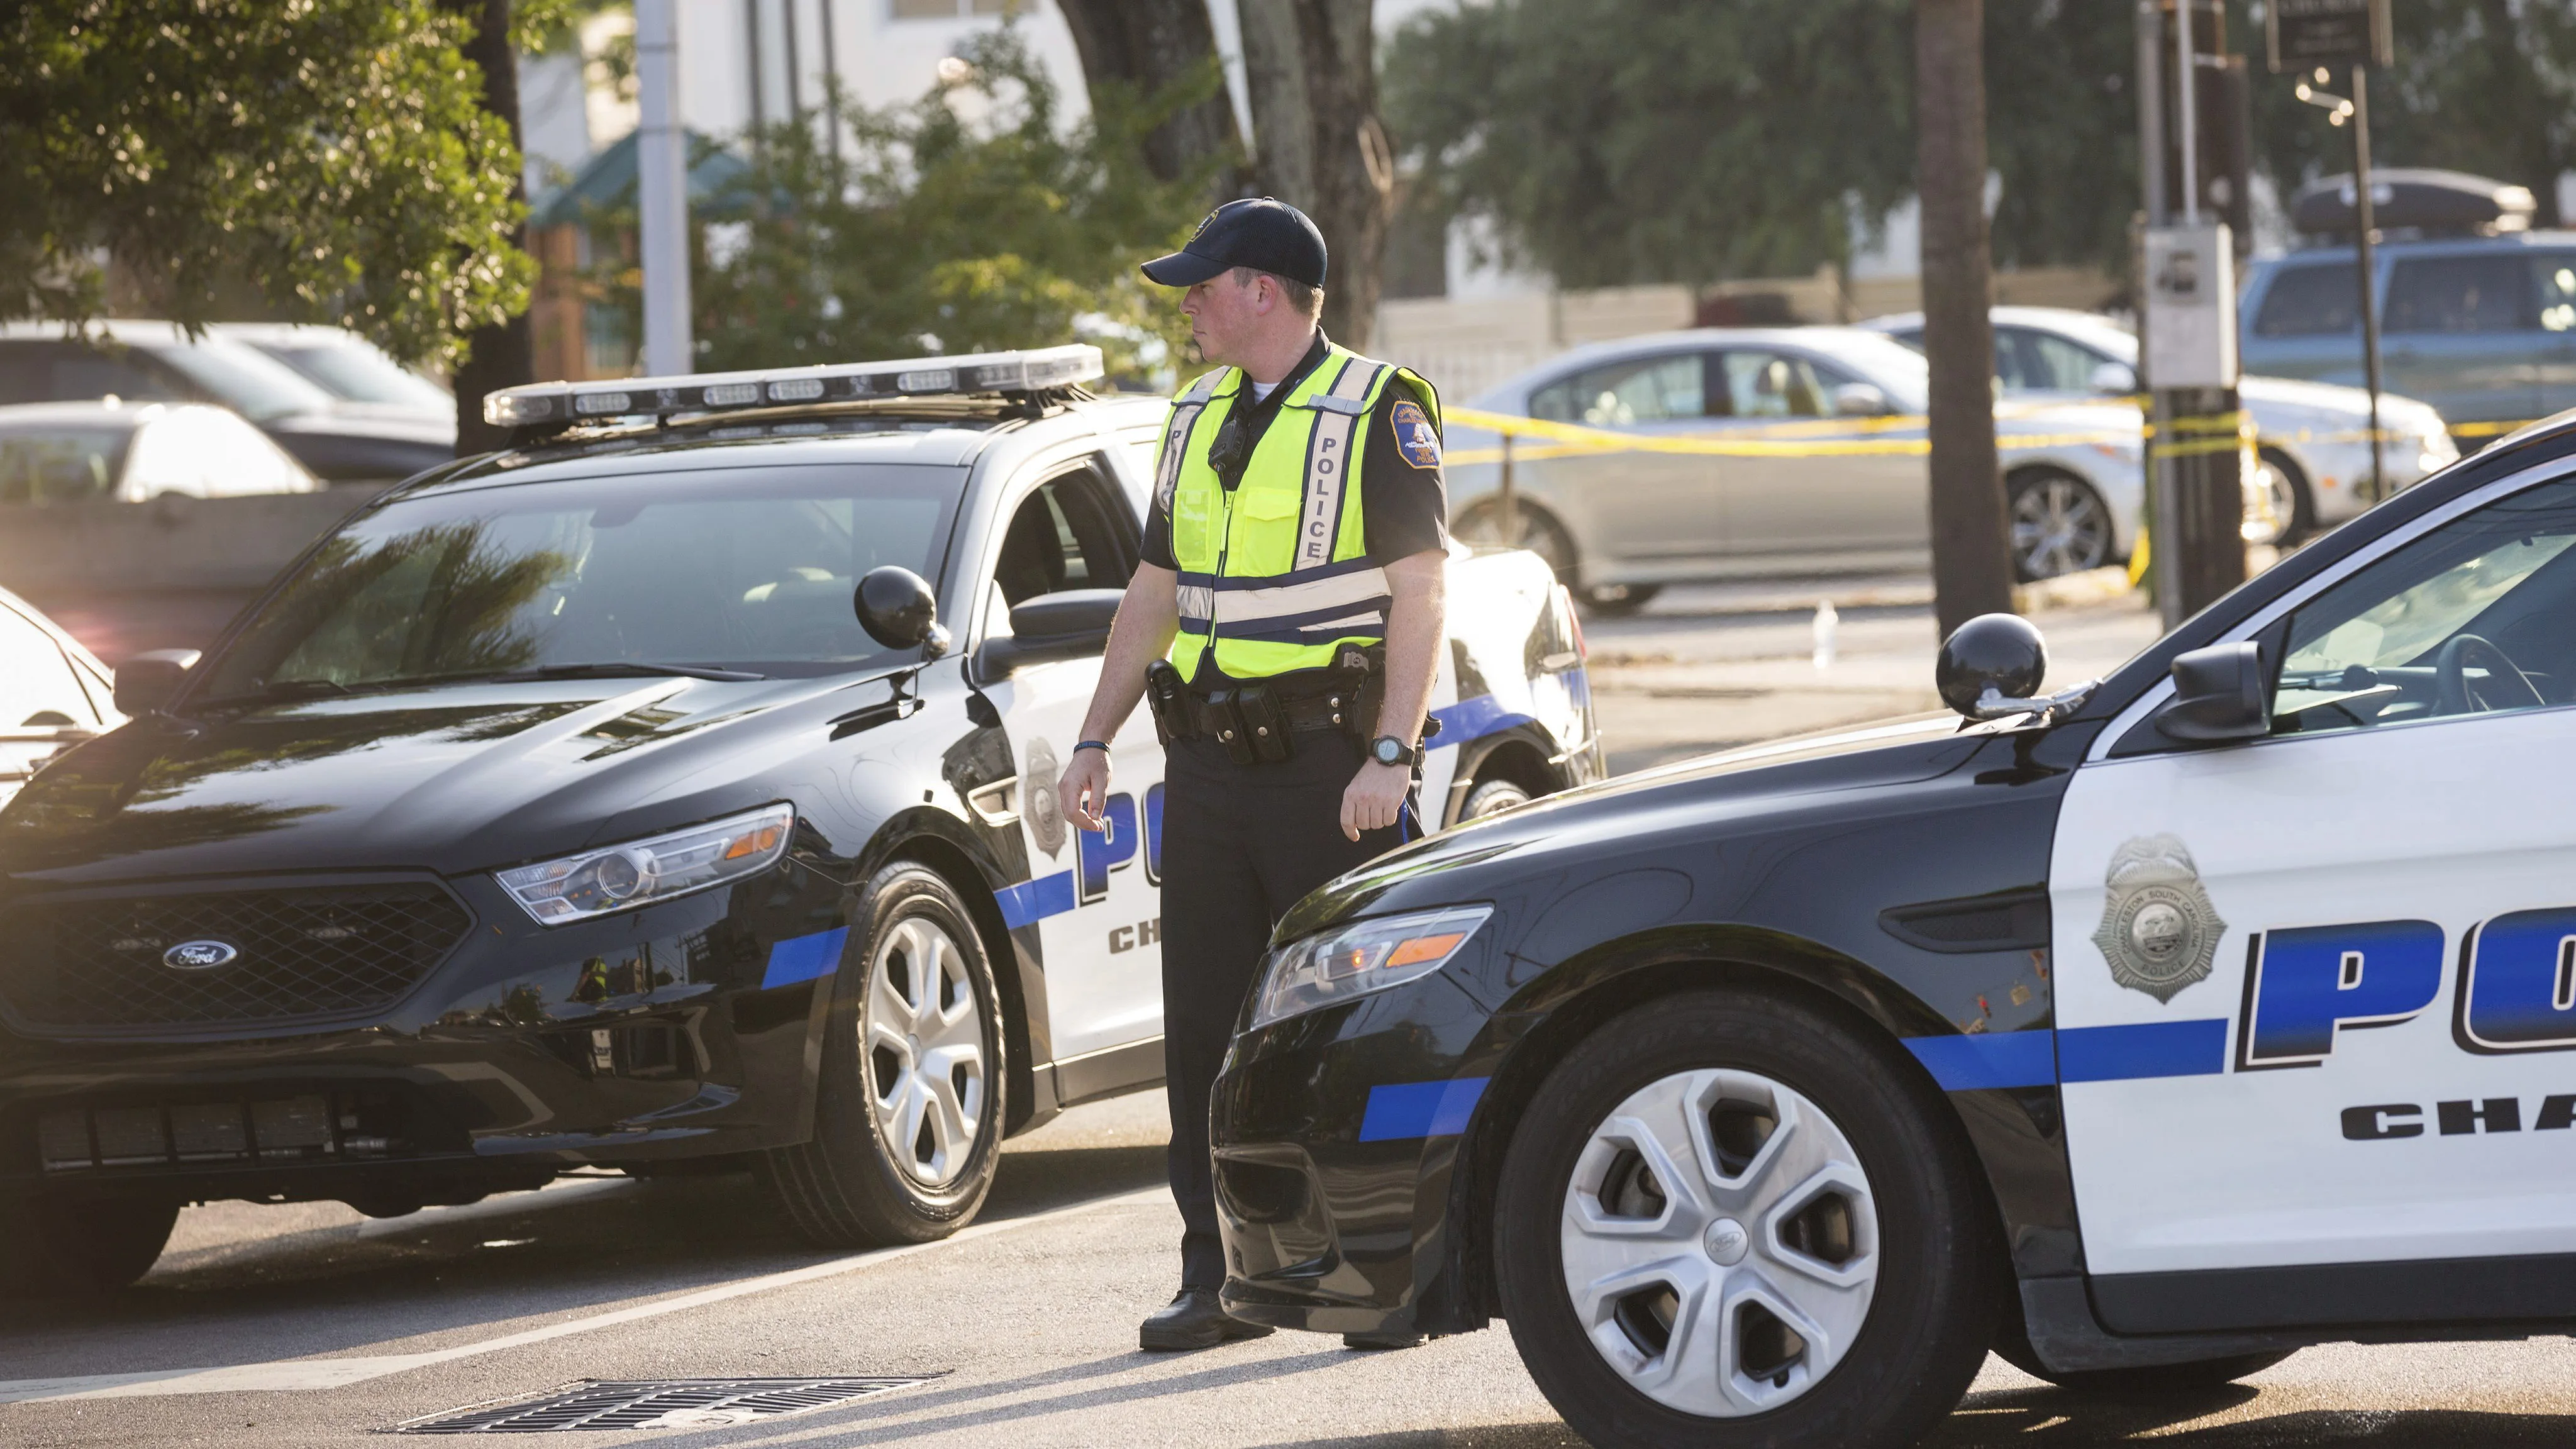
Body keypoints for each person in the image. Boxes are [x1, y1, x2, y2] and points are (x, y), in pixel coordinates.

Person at [1055, 197, 1448, 1353]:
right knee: (1206, 1036)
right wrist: (1091, 738)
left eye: (1202, 285)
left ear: (1262, 291)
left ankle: (1386, 1277)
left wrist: (1390, 753)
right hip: (1211, 773)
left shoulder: (1380, 409)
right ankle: (1218, 1277)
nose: (1186, 305)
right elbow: (1155, 591)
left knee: (1353, 1026)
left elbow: (1422, 593)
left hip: (1333, 770)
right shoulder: (1192, 412)